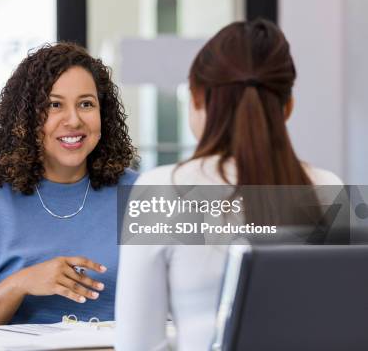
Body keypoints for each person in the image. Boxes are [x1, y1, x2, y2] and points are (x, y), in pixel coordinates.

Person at [115, 19, 342, 351]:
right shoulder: (328, 188)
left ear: (196, 99)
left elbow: (137, 344)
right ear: (288, 106)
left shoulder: (163, 189)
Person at [0, 42, 138, 328]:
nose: (74, 120)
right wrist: (20, 284)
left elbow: (205, 289)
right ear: (25, 118)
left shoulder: (144, 193)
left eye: (86, 104)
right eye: (54, 105)